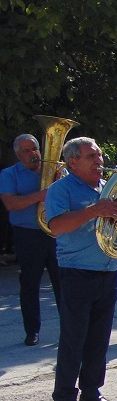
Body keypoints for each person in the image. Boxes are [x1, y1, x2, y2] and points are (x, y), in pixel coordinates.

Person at [46, 137, 117, 401]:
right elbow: (56, 226)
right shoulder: (60, 189)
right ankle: (65, 397)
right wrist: (94, 210)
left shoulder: (108, 188)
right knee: (74, 338)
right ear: (73, 162)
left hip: (108, 269)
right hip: (76, 271)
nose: (99, 160)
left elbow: (114, 225)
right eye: (91, 156)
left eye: (99, 155)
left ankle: (91, 393)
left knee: (99, 339)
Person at [0, 133, 61, 346]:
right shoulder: (9, 174)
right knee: (29, 283)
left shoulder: (53, 171)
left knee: (63, 282)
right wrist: (40, 195)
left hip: (54, 232)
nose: (33, 153)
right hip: (27, 235)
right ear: (18, 155)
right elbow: (10, 204)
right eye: (26, 151)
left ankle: (70, 328)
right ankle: (32, 331)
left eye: (35, 148)